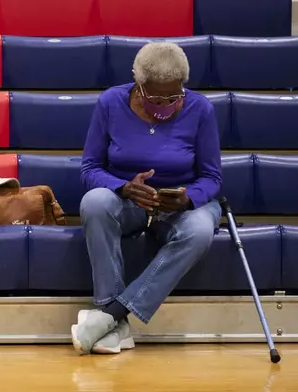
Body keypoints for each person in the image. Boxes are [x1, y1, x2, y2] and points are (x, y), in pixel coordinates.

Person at [72, 42, 222, 355]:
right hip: (129, 203)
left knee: (200, 231)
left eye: (174, 96)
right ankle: (114, 318)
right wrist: (122, 187)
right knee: (95, 202)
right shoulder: (112, 102)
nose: (166, 103)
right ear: (138, 84)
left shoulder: (200, 109)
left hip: (179, 207)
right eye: (156, 97)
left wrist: (187, 198)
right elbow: (89, 169)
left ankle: (111, 315)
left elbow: (212, 178)